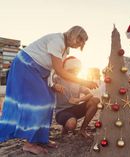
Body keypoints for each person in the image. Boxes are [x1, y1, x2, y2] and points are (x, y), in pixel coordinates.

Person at [0, 26, 98, 155]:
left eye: (82, 42)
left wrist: (51, 84)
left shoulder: (65, 50)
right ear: (73, 34)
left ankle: (41, 138)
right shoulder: (57, 41)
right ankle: (29, 144)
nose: (80, 44)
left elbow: (51, 69)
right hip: (26, 65)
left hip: (40, 71)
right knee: (39, 103)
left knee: (48, 101)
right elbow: (60, 71)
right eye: (79, 40)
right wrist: (84, 81)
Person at [52, 56, 99, 138]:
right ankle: (65, 126)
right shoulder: (57, 78)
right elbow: (48, 84)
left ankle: (82, 130)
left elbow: (90, 94)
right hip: (61, 111)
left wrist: (79, 99)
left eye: (76, 71)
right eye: (71, 70)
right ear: (66, 69)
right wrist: (55, 86)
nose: (74, 73)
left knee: (95, 100)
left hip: (75, 109)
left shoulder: (78, 81)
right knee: (71, 125)